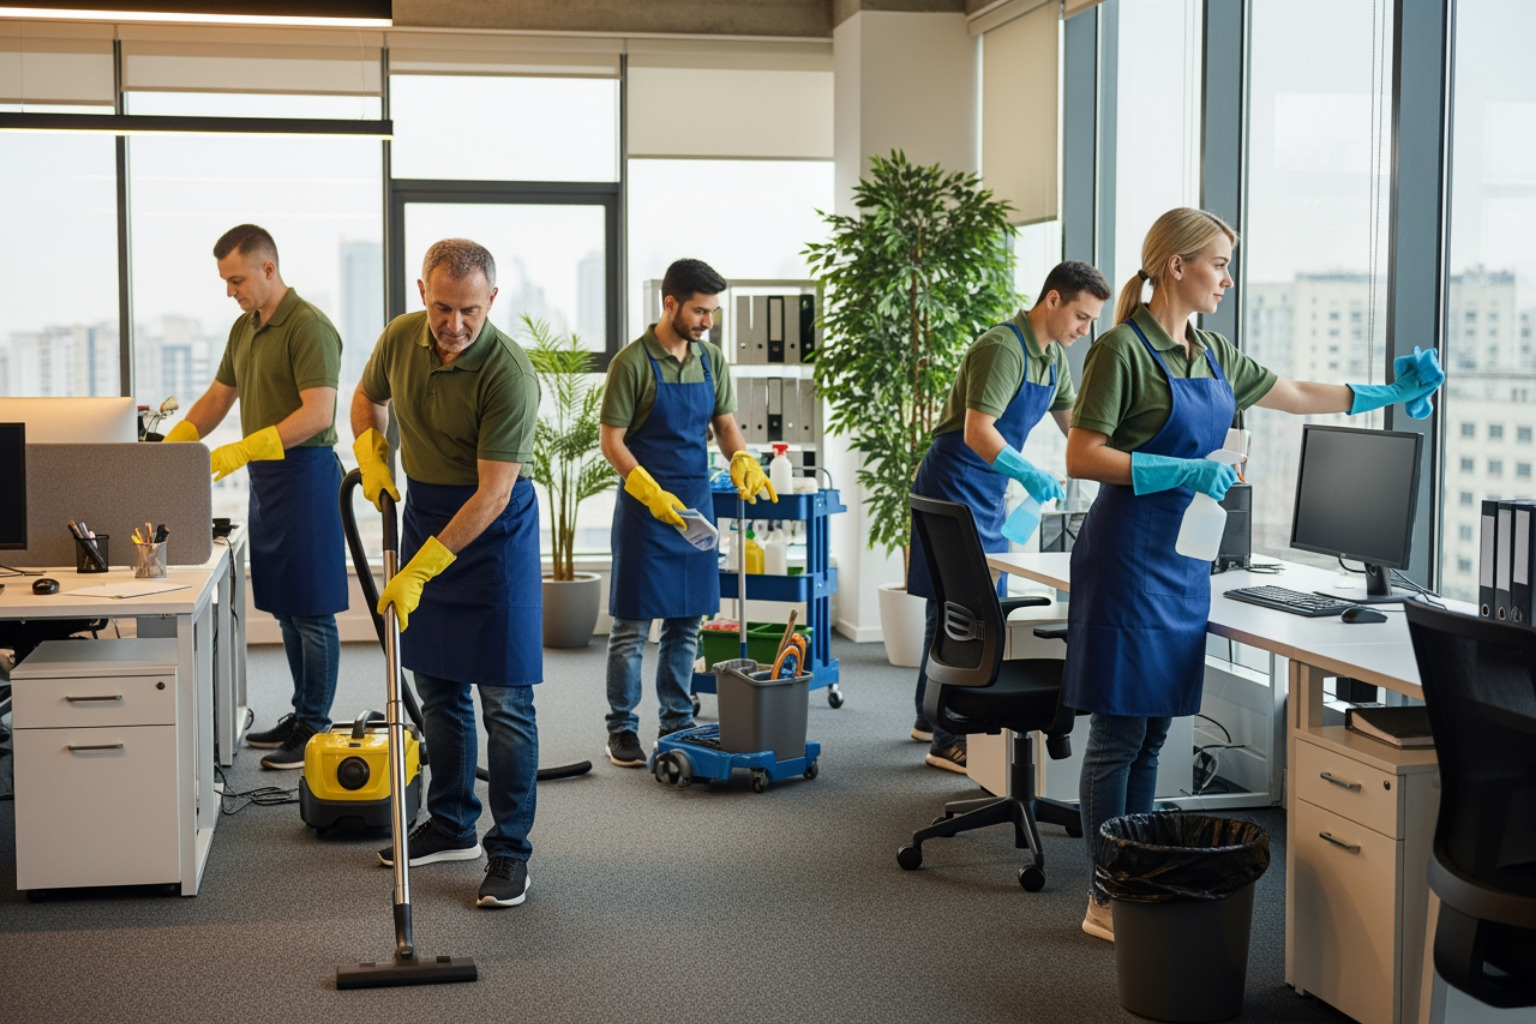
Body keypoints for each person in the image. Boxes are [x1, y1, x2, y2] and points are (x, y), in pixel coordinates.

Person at [1063, 207, 1444, 941]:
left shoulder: (1212, 353)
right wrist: (1180, 466)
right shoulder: (1121, 351)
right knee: (1117, 736)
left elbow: (1295, 395)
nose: (1226, 280)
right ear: (1177, 266)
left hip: (1181, 562)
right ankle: (1106, 893)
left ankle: (1137, 875)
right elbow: (1082, 455)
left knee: (1151, 739)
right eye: (1218, 264)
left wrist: (1385, 397)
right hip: (1125, 558)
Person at [351, 238, 542, 909]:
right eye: (440, 307)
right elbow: (366, 400)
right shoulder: (401, 338)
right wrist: (372, 454)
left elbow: (491, 495)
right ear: (420, 293)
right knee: (436, 690)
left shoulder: (509, 374)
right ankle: (453, 823)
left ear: (492, 300)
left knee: (506, 703)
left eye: (468, 309)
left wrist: (424, 568)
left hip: (493, 532)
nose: (453, 324)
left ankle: (511, 851)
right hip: (426, 507)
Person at [908, 261, 1110, 773]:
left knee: (965, 605)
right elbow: (979, 431)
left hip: (989, 488)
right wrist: (1027, 470)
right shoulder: (1003, 347)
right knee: (963, 607)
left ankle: (930, 718)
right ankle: (946, 734)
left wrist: (1121, 466)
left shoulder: (1052, 361)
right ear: (1053, 301)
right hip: (955, 480)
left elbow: (1076, 429)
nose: (1084, 331)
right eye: (1081, 318)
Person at [166, 224, 348, 771]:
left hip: (309, 475)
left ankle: (315, 726)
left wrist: (242, 450)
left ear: (269, 269)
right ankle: (303, 712)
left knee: (312, 611)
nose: (231, 291)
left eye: (237, 279)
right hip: (270, 479)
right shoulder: (245, 329)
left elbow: (318, 414)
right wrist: (175, 441)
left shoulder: (310, 327)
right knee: (288, 610)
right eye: (225, 281)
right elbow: (219, 397)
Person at [599, 258, 775, 768]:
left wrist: (742, 456)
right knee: (631, 627)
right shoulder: (631, 363)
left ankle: (677, 718)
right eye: (700, 311)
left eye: (713, 312)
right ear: (670, 303)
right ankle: (622, 727)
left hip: (695, 506)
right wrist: (649, 491)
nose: (707, 322)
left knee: (686, 622)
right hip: (644, 505)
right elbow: (611, 442)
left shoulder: (711, 359)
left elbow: (724, 426)